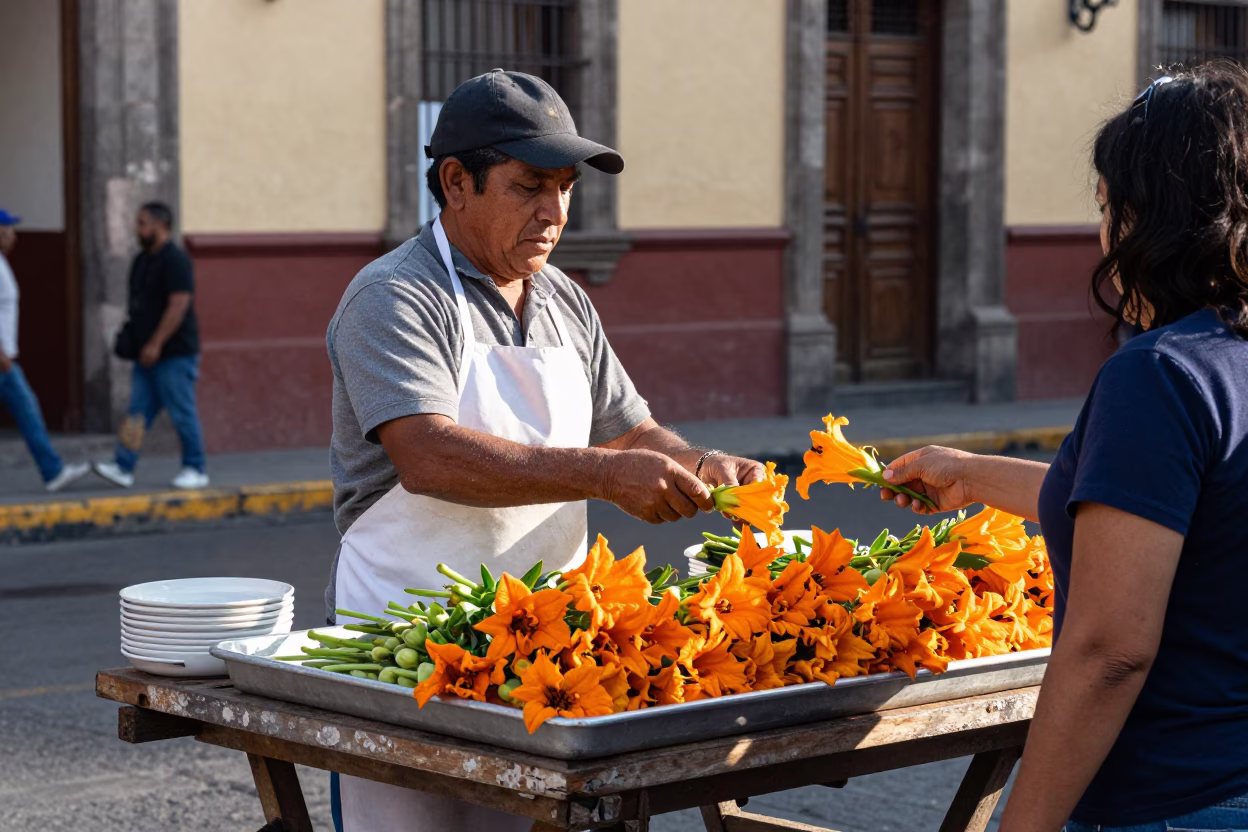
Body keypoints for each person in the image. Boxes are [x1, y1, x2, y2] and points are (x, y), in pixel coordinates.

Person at [325, 69, 763, 831]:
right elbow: (426, 455)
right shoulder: (394, 296)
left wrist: (701, 466)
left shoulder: (563, 298)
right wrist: (603, 475)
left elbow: (629, 431)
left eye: (565, 188)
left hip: (546, 650)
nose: (554, 212)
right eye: (530, 186)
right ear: (457, 182)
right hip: (412, 649)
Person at [880, 62, 1248, 831]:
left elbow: (1111, 651)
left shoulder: (1160, 374)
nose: (1103, 227)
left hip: (1172, 800)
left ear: (1150, 217)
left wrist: (1026, 824)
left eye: (1107, 204)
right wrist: (973, 474)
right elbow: (1162, 507)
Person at [94, 201, 208, 490]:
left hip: (174, 354)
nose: (138, 229)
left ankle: (195, 468)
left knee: (182, 412)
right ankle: (123, 466)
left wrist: (156, 343)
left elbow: (179, 304)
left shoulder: (175, 260)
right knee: (136, 412)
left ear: (161, 226)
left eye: (143, 223)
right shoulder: (142, 260)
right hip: (146, 355)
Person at [0, 209, 90, 492]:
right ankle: (52, 470)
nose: (14, 235)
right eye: (9, 229)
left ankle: (52, 471)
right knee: (27, 409)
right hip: (2, 359)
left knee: (28, 410)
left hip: (7, 359)